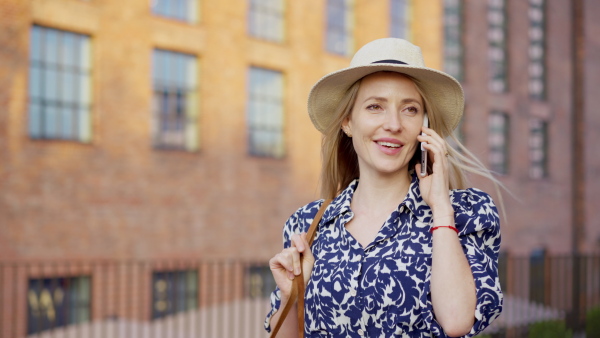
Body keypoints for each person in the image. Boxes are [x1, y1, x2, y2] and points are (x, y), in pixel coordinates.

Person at [265, 38, 503, 337]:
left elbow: (457, 322)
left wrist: (441, 209)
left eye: (410, 109)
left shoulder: (466, 212)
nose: (393, 124)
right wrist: (292, 295)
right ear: (348, 121)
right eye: (375, 106)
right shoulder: (308, 223)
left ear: (424, 127)